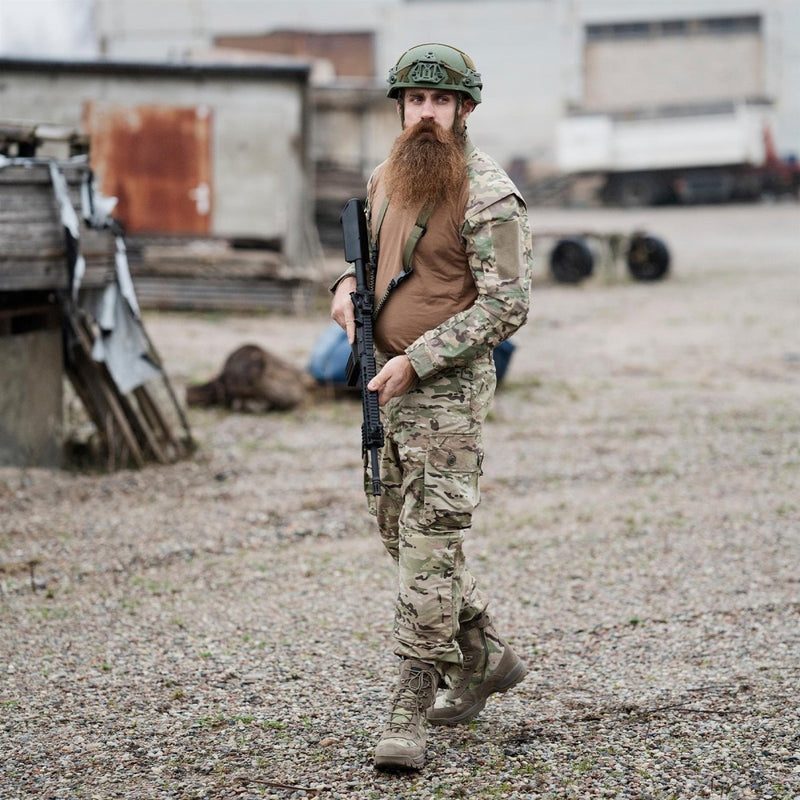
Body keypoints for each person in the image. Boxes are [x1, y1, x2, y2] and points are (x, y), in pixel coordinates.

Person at [330, 42, 533, 771]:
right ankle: (487, 657)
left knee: (427, 553)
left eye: (440, 102)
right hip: (384, 383)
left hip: (445, 393)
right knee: (401, 536)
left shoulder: (486, 191)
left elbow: (509, 303)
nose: (425, 114)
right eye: (414, 101)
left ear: (464, 110)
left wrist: (422, 357)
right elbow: (370, 263)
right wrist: (341, 292)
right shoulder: (388, 176)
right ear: (401, 108)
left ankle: (406, 714)